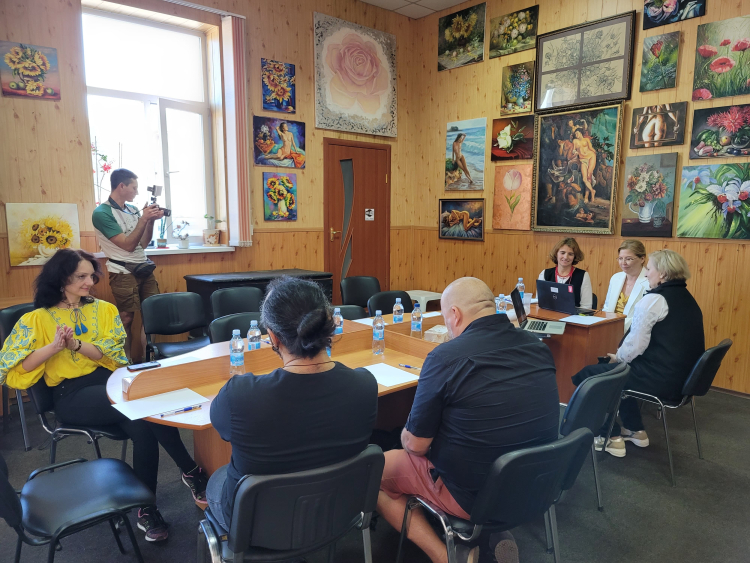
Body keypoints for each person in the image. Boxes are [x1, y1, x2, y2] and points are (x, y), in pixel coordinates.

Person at [0, 249, 208, 542]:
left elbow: (109, 355)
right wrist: (54, 347)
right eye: (81, 277)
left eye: (91, 276)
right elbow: (15, 367)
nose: (90, 282)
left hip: (108, 383)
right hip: (71, 394)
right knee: (147, 407)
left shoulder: (104, 309)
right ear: (61, 279)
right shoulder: (36, 319)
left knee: (144, 427)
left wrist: (75, 344)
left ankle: (146, 508)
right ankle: (191, 471)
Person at [377, 278, 559, 563]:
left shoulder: (446, 357)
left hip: (474, 496)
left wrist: (404, 431)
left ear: (455, 314)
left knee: (375, 471)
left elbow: (415, 445)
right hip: (537, 483)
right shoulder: (537, 346)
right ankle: (490, 532)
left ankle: (447, 556)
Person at [206, 276, 378, 531]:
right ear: (329, 324)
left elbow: (221, 426)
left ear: (273, 337)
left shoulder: (239, 396)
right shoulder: (366, 385)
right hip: (336, 513)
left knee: (216, 478)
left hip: (257, 527)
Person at [572, 249, 705, 458]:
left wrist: (617, 358)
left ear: (662, 273)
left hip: (661, 381)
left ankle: (609, 436)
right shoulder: (688, 298)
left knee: (594, 375)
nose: (646, 273)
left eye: (649, 269)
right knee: (618, 370)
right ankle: (635, 429)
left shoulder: (654, 300)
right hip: (682, 381)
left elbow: (636, 345)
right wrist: (620, 359)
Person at [92, 168, 163, 362]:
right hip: (122, 271)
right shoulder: (102, 213)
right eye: (134, 188)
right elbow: (128, 245)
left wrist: (150, 221)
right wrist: (144, 218)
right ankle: (126, 363)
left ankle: (150, 361)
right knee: (126, 318)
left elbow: (143, 243)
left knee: (152, 316)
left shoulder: (132, 209)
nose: (137, 192)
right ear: (121, 186)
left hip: (143, 267)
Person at [602, 240, 650, 331]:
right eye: (620, 258)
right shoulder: (615, 278)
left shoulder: (649, 282)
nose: (623, 263)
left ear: (642, 259)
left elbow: (645, 317)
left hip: (636, 332)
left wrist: (616, 327)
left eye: (628, 259)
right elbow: (607, 308)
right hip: (610, 329)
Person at [538, 237, 594, 309]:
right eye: (562, 253)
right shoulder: (545, 274)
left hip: (574, 316)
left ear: (574, 256)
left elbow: (586, 306)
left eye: (570, 254)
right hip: (548, 315)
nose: (565, 257)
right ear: (556, 253)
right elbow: (539, 302)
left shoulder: (583, 276)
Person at [572, 129, 597, 202]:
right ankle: (592, 191)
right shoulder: (575, 141)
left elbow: (591, 148)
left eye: (577, 133)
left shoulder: (586, 140)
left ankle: (586, 196)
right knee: (584, 179)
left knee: (589, 176)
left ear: (580, 133)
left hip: (591, 156)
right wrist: (575, 152)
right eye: (575, 134)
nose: (576, 135)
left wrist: (596, 153)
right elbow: (573, 149)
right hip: (583, 159)